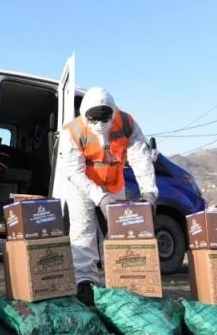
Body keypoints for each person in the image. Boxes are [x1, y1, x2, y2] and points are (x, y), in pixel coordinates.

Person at [59, 87, 158, 306]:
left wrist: (149, 191)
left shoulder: (127, 123)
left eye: (104, 118)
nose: (99, 124)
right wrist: (100, 198)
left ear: (113, 112)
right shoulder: (73, 131)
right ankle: (85, 282)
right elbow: (74, 173)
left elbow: (140, 157)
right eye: (93, 120)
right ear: (85, 114)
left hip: (114, 182)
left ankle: (120, 278)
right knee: (83, 230)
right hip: (82, 184)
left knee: (118, 231)